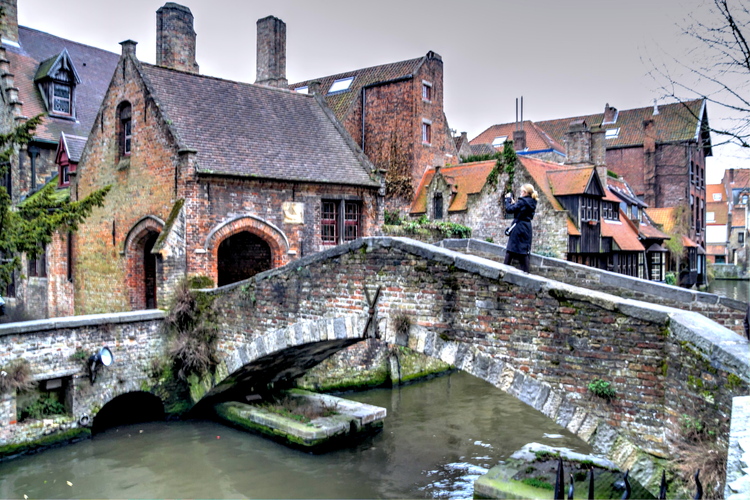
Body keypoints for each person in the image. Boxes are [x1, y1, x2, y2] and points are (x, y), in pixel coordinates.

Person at [503, 183, 538, 273]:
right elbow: (521, 209)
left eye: (522, 191)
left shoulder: (522, 201)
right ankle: (526, 273)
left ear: (525, 192)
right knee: (524, 251)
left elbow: (509, 209)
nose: (521, 193)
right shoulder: (532, 201)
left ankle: (503, 270)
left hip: (518, 226)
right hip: (527, 227)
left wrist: (507, 199)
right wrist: (515, 204)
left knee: (510, 249)